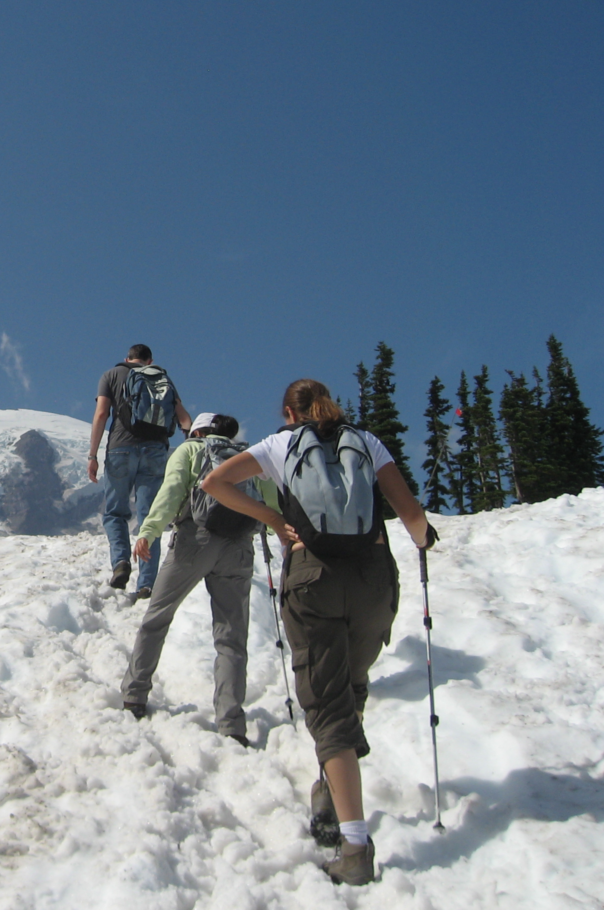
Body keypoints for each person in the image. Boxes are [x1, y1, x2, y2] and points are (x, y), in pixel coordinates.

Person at [200, 379, 433, 887]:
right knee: (350, 686)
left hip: (313, 577)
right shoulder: (366, 442)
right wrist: (423, 539)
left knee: (326, 704)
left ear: (289, 412)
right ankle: (332, 783)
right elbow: (412, 515)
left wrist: (271, 518)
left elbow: (214, 483)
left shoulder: (281, 443)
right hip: (373, 579)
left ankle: (353, 845)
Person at [119, 413, 266, 746]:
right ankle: (231, 724)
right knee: (231, 638)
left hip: (194, 542)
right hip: (239, 547)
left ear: (198, 431)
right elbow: (266, 498)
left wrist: (149, 531)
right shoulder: (246, 456)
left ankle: (134, 695)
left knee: (156, 618)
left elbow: (171, 491)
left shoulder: (190, 451)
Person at [87, 345, 191, 595]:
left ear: (127, 359)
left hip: (120, 449)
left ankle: (121, 562)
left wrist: (92, 455)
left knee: (115, 513)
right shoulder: (163, 378)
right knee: (149, 518)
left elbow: (102, 414)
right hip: (155, 451)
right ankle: (146, 584)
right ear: (149, 361)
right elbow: (183, 417)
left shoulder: (111, 375)